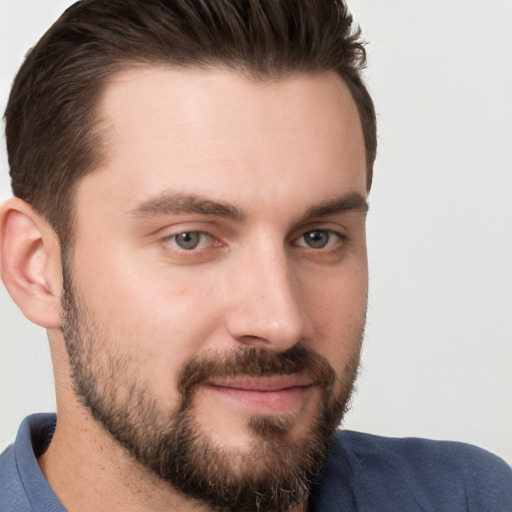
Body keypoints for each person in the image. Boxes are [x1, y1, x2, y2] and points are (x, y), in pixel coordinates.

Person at [0, 0, 510, 510]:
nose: (281, 321)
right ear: (36, 268)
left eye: (318, 237)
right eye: (190, 238)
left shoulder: (471, 497)